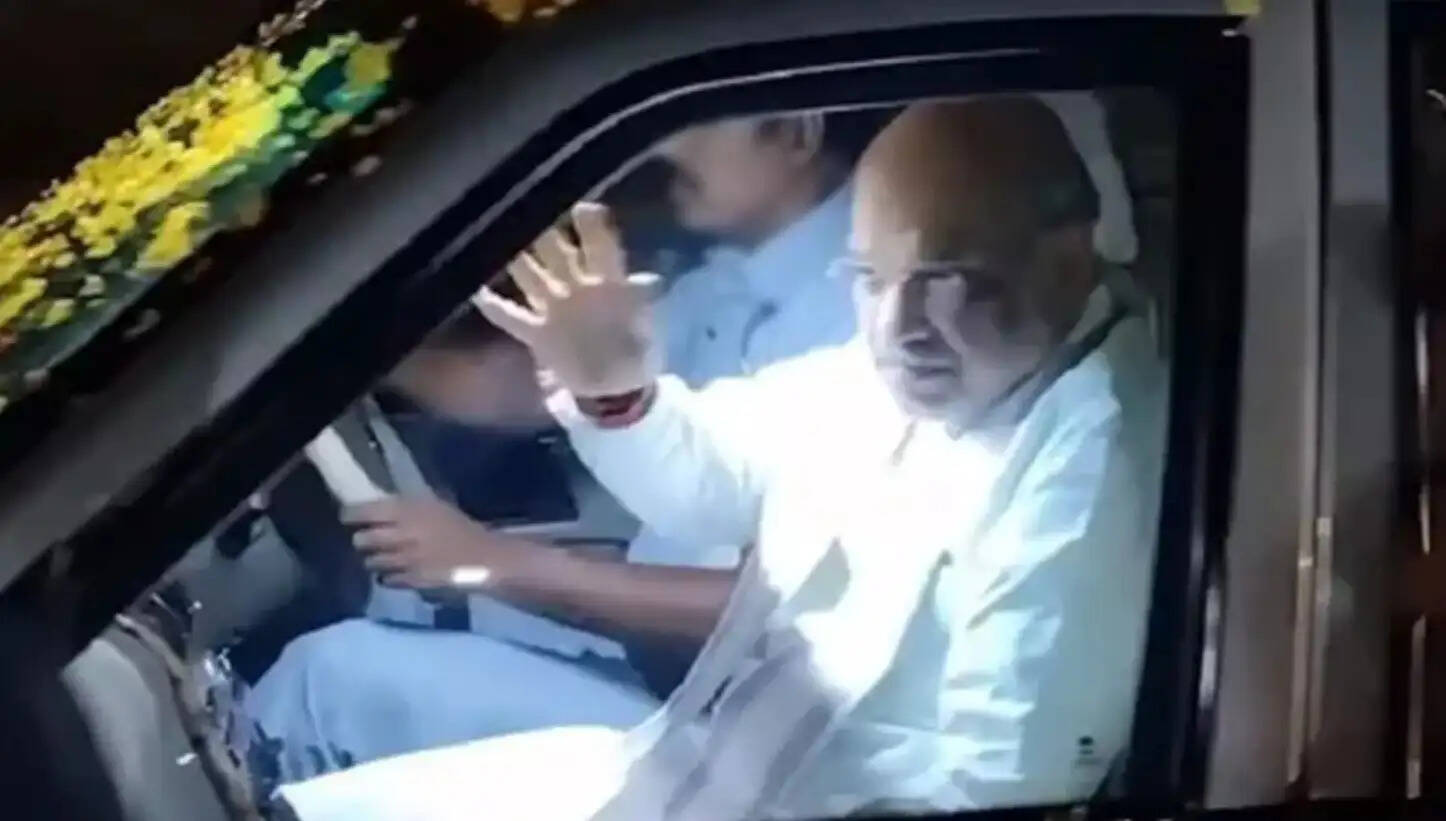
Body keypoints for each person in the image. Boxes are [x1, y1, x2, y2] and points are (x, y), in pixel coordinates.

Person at [274, 94, 1168, 820]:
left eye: (948, 281)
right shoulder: (918, 376)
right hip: (702, 758)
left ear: (1068, 259)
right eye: (869, 279)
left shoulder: (1091, 460)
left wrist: (499, 564)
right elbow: (718, 475)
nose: (898, 329)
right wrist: (613, 389)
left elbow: (992, 786)